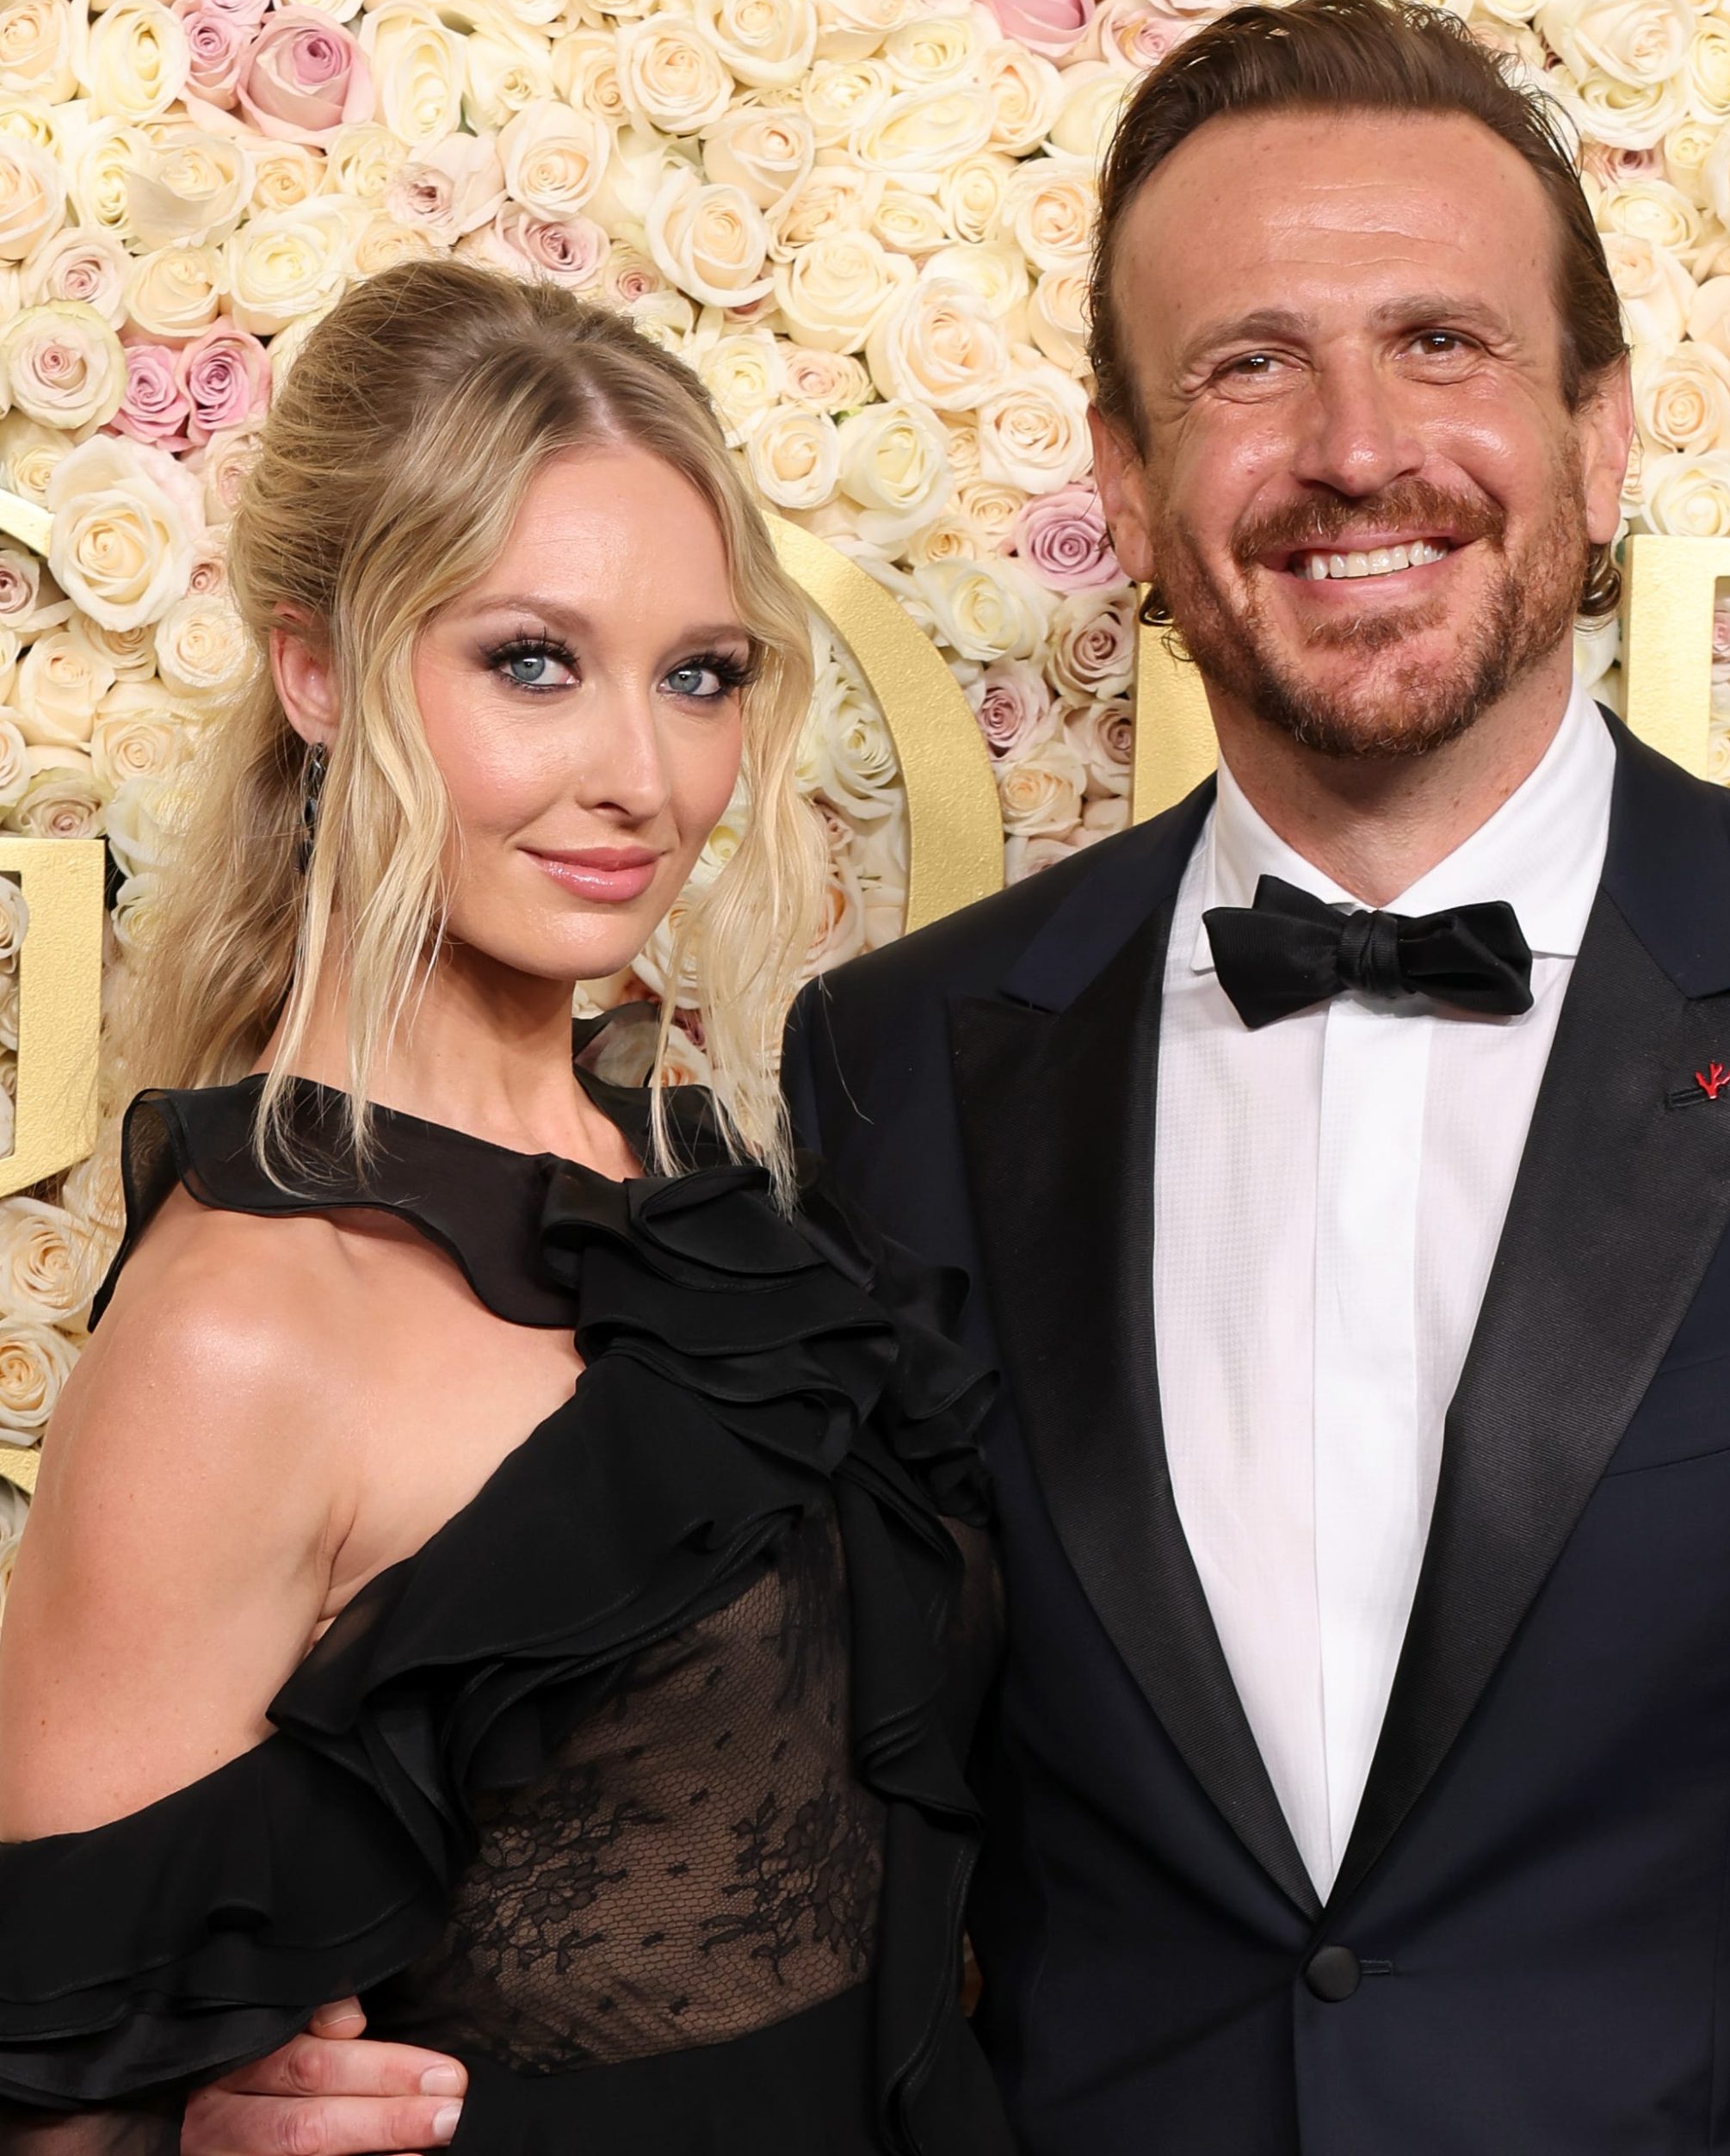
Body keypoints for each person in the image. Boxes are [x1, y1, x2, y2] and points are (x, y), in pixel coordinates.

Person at [182, 0, 1730, 2156]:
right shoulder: (901, 1064)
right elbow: (750, 1774)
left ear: (1601, 433)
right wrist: (298, 2067)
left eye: (1440, 342)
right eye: (1248, 363)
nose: (1350, 443)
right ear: (1127, 480)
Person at [0, 260, 1012, 2156]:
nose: (641, 776)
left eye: (699, 674)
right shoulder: (247, 1326)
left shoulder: (715, 1190)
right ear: (314, 666)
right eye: (531, 659)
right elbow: (53, 2077)